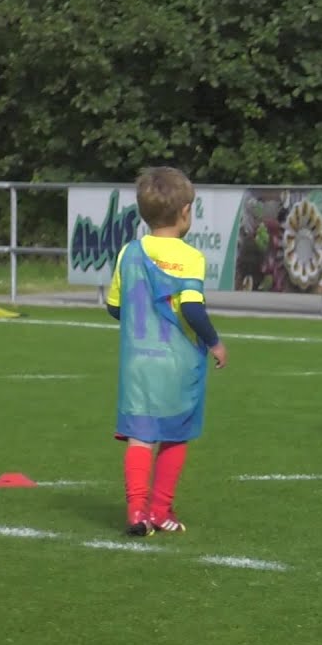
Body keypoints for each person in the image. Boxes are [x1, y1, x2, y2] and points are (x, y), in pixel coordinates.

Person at [106, 167, 228, 536]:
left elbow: (115, 307)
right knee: (175, 434)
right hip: (176, 363)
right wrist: (214, 342)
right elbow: (192, 308)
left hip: (137, 362)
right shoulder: (189, 258)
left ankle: (135, 513)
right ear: (186, 211)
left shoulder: (129, 252)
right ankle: (160, 510)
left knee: (141, 436)